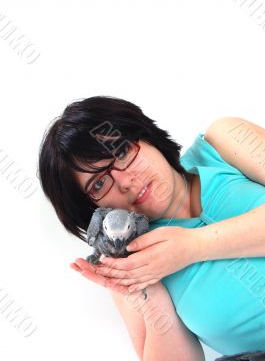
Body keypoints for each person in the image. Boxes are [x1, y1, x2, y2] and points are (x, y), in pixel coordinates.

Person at [38, 95, 265, 360]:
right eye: (99, 184)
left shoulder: (223, 141)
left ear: (146, 137)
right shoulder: (126, 263)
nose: (125, 181)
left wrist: (192, 246)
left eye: (122, 152)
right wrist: (149, 292)